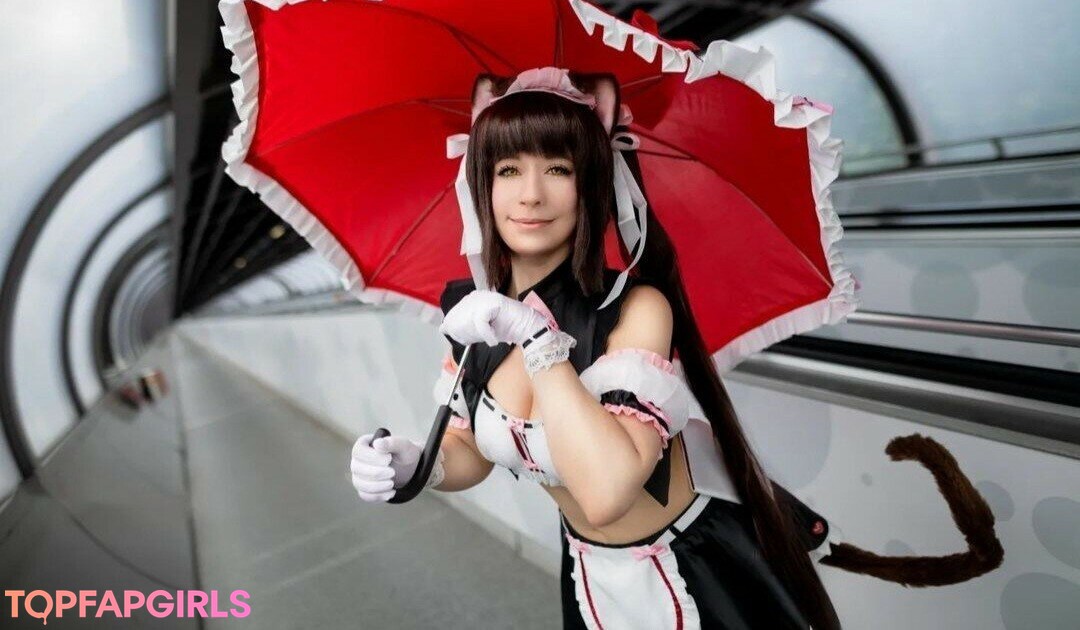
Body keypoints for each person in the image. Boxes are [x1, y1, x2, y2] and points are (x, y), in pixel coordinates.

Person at [350, 67, 841, 630]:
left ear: (592, 182)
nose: (531, 194)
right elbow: (471, 447)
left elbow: (606, 493)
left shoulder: (634, 309)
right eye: (508, 169)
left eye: (558, 169)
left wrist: (536, 340)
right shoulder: (475, 313)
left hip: (697, 571)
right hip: (588, 577)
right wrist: (421, 464)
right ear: (482, 183)